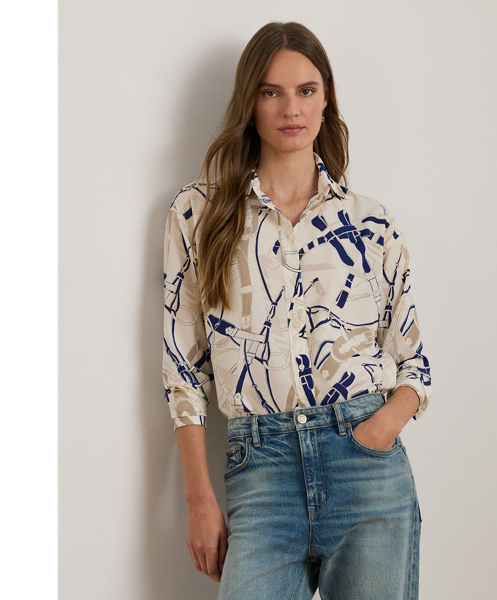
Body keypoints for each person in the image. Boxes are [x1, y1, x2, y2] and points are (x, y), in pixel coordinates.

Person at [163, 21, 432, 600]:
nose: (292, 108)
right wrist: (198, 497)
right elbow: (183, 369)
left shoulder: (370, 224)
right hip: (261, 471)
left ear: (326, 98)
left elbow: (414, 362)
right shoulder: (200, 213)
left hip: (366, 466)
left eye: (307, 90)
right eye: (272, 92)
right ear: (250, 103)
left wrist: (381, 429)